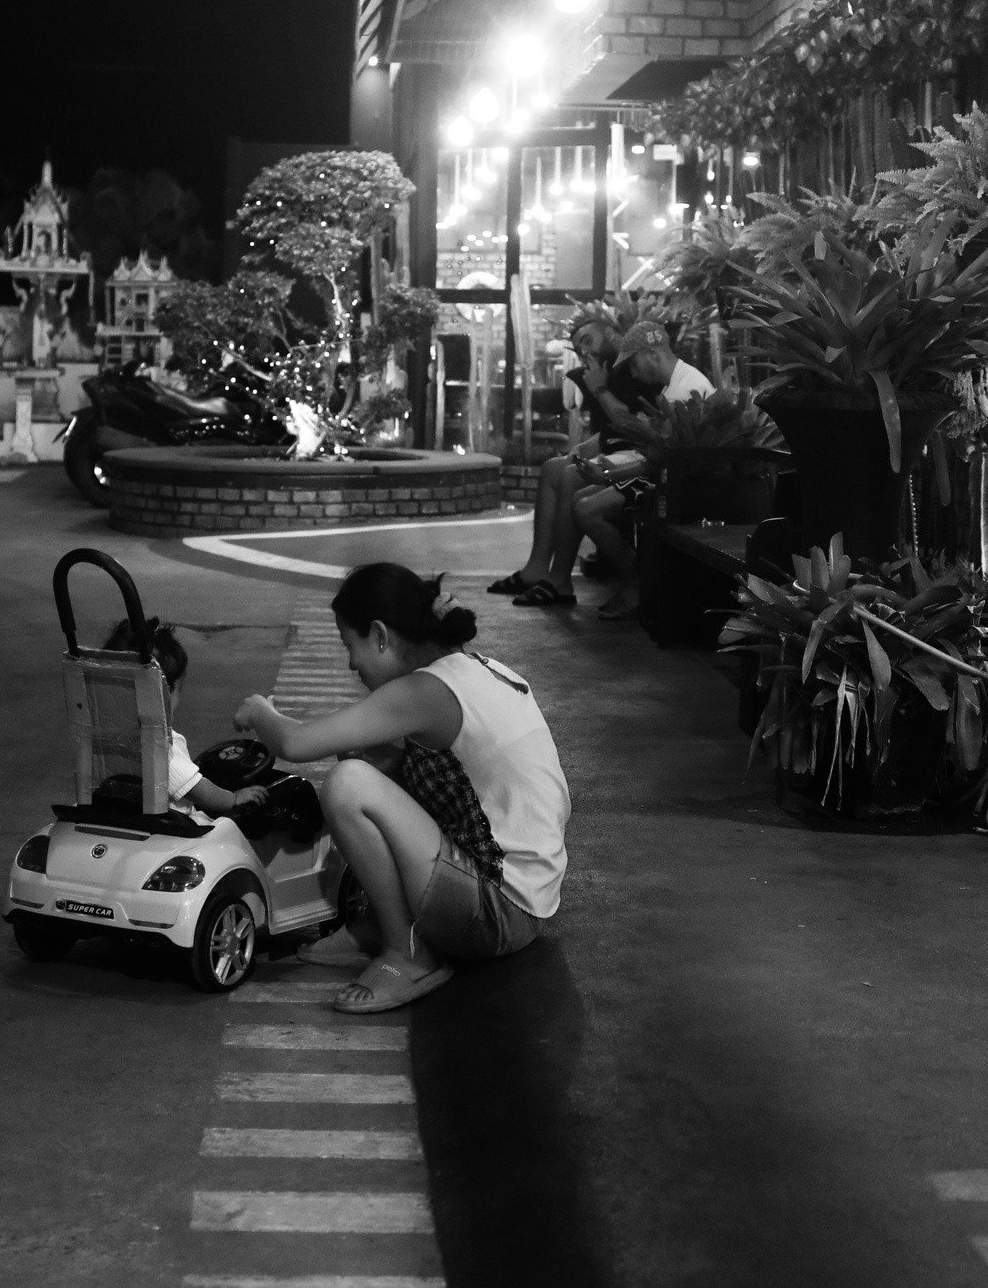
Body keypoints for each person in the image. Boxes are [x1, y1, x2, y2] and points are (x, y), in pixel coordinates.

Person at [234, 564, 570, 1014]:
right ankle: (388, 923)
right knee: (361, 758)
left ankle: (409, 954)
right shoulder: (470, 668)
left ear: (379, 635)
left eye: (348, 645)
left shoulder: (425, 691)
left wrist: (259, 711)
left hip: (496, 913)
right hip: (521, 899)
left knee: (348, 785)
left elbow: (294, 743)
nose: (351, 664)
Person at [491, 319, 713, 617]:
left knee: (584, 503)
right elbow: (654, 450)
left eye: (634, 365)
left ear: (652, 354)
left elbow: (657, 457)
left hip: (675, 484)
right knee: (571, 482)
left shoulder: (688, 387)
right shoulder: (674, 384)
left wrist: (608, 474)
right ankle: (557, 575)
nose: (634, 373)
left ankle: (636, 583)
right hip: (660, 474)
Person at [100, 617, 267, 820]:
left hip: (114, 816)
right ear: (163, 694)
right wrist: (233, 799)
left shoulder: (97, 737)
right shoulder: (159, 745)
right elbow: (196, 789)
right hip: (169, 828)